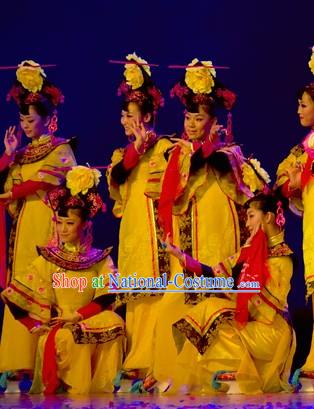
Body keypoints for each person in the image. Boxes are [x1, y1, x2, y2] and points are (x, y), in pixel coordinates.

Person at [148, 58, 270, 390]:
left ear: (213, 121)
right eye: (187, 117)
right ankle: (178, 373)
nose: (190, 124)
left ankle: (224, 370)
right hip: (189, 242)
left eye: (198, 118)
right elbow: (163, 194)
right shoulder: (176, 154)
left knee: (217, 303)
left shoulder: (229, 154)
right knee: (173, 306)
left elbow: (246, 189)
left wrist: (205, 149)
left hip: (220, 236)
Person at [1, 166, 124, 394]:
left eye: (70, 223)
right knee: (67, 335)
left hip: (85, 317)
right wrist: (35, 324)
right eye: (59, 222)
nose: (63, 229)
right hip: (60, 322)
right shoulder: (49, 258)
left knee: (115, 322)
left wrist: (77, 315)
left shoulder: (98, 259)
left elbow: (107, 294)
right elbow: (14, 296)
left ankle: (97, 385)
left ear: (84, 225)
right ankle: (71, 385)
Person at [163, 192, 295, 394]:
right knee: (210, 310)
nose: (248, 224)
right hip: (250, 324)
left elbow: (264, 302)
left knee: (216, 313)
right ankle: (231, 372)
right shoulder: (250, 250)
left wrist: (232, 286)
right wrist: (179, 254)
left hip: (271, 332)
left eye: (251, 216)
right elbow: (215, 273)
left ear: (268, 217)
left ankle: (239, 374)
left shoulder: (282, 258)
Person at [0, 60, 76, 377]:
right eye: (22, 119)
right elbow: (10, 183)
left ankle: (48, 359)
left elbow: (44, 182)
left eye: (31, 120)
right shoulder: (20, 154)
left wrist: (13, 194)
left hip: (46, 220)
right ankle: (19, 362)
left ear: (48, 119)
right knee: (21, 284)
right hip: (25, 223)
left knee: (44, 284)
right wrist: (8, 153)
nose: (26, 125)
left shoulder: (60, 149)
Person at [106, 53, 173, 381]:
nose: (124, 120)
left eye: (129, 115)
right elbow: (118, 177)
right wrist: (136, 145)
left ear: (147, 115)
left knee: (159, 296)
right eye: (123, 114)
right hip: (133, 233)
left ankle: (156, 363)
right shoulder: (121, 154)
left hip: (158, 233)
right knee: (136, 298)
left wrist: (145, 145)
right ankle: (136, 361)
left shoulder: (166, 149)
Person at [276, 47, 314, 377]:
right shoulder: (306, 146)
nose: (298, 110)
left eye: (304, 105)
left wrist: (299, 178)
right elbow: (288, 183)